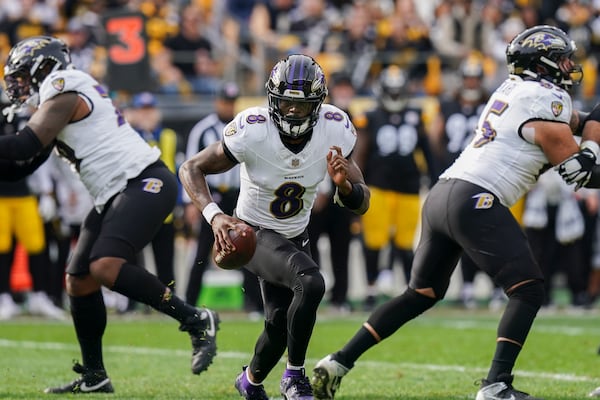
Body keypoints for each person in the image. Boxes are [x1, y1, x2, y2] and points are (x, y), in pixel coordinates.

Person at [311, 25, 600, 400]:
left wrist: (593, 120)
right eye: (563, 57)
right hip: (475, 198)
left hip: (443, 194)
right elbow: (580, 170)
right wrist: (593, 137)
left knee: (421, 293)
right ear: (542, 64)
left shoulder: (515, 91)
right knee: (528, 288)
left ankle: (337, 362)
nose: (569, 65)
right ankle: (496, 385)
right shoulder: (547, 98)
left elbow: (575, 125)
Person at [0, 36, 219, 394]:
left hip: (144, 181)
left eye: (24, 75)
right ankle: (94, 375)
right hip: (116, 191)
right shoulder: (59, 99)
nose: (20, 85)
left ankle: (196, 319)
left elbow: (23, 144)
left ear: (45, 68)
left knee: (104, 265)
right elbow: (21, 166)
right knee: (79, 279)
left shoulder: (64, 87)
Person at [179, 54, 370, 400]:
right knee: (311, 283)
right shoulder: (253, 129)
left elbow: (363, 202)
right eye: (286, 103)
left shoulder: (335, 127)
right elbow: (190, 168)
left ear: (318, 104)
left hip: (296, 234)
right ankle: (294, 377)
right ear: (271, 99)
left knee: (280, 325)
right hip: (253, 232)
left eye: (302, 105)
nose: (293, 112)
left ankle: (250, 382)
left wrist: (343, 187)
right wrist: (215, 215)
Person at [353, 64, 436, 309]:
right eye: (392, 91)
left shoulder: (416, 114)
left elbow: (427, 150)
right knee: (374, 242)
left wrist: (433, 177)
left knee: (404, 243)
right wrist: (358, 183)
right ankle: (371, 288)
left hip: (409, 187)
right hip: (378, 187)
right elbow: (362, 153)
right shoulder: (370, 116)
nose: (396, 96)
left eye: (398, 91)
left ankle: (410, 289)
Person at [182, 81, 263, 315]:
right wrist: (190, 202)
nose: (229, 106)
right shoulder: (202, 129)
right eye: (225, 102)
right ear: (218, 101)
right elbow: (189, 165)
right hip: (212, 196)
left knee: (246, 246)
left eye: (232, 102)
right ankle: (189, 303)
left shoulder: (243, 126)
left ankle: (254, 304)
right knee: (202, 251)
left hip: (238, 195)